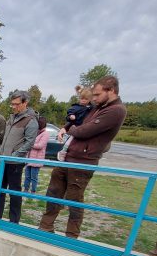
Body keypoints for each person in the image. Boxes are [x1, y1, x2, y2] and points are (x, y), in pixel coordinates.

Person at [39, 75, 126, 238]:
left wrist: (71, 130)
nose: (94, 98)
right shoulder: (98, 106)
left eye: (97, 94)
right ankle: (45, 226)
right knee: (53, 192)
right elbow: (78, 118)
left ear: (111, 91)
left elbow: (84, 131)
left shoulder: (116, 110)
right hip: (67, 157)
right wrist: (66, 126)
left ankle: (72, 235)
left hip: (83, 162)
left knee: (74, 198)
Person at [0, 90, 38, 223]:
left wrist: (14, 155)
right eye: (12, 104)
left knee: (14, 192)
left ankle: (14, 221)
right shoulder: (11, 117)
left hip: (14, 163)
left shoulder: (30, 121)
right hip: (2, 160)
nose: (13, 106)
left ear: (25, 103)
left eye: (16, 104)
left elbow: (29, 142)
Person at [23, 117, 50, 193]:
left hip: (37, 159)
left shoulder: (45, 134)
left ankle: (33, 191)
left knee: (34, 177)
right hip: (29, 158)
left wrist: (29, 144)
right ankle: (25, 189)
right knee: (27, 176)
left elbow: (40, 145)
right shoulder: (36, 132)